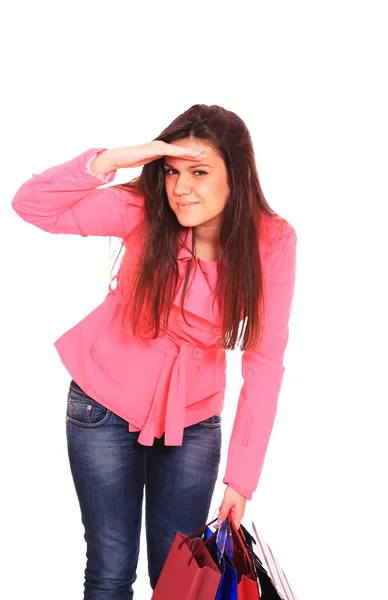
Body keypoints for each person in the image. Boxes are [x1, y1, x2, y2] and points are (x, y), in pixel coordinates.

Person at [11, 103, 297, 599]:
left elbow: (264, 363)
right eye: (171, 171)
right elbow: (32, 205)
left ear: (238, 175)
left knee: (179, 583)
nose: (180, 187)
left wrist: (242, 480)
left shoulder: (271, 241)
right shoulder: (145, 208)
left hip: (193, 421)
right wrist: (116, 158)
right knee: (109, 568)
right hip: (101, 405)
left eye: (200, 172)